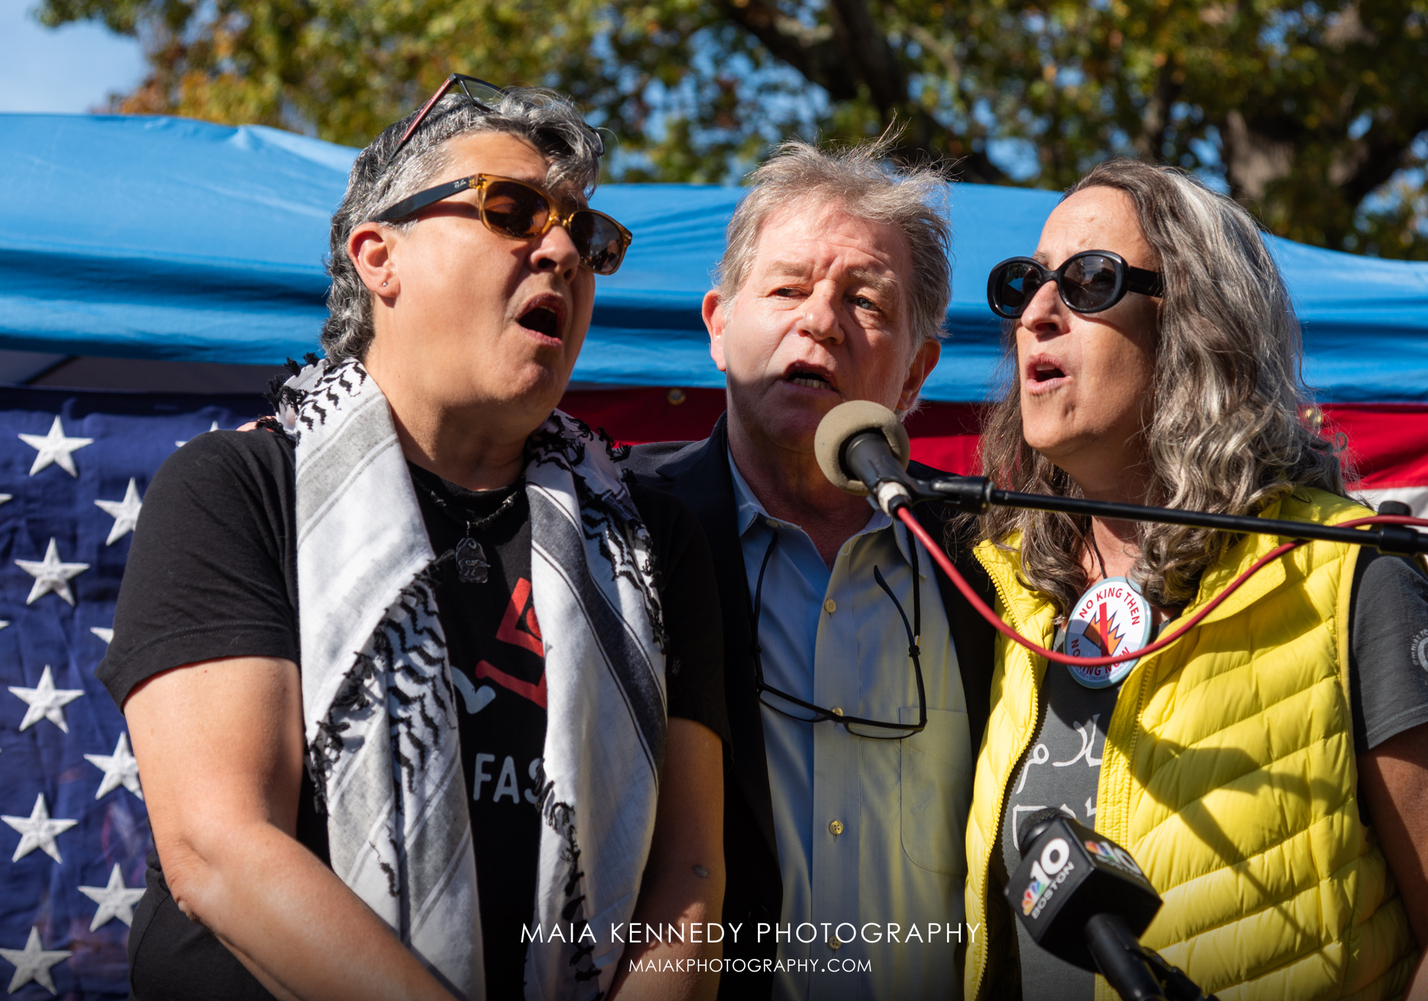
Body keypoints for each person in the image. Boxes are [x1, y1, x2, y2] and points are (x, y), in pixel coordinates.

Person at [98, 76, 728, 1001]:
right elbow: (220, 847)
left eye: (587, 238)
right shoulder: (239, 488)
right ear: (377, 256)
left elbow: (692, 884)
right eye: (511, 209)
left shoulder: (652, 539)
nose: (561, 250)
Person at [963, 158, 1428, 1001]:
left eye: (1088, 281)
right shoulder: (1007, 597)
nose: (1036, 313)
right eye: (1024, 284)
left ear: (1195, 322)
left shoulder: (1346, 573)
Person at [624, 138, 997, 1001]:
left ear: (916, 371)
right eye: (788, 288)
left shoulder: (989, 554)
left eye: (864, 301)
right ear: (718, 324)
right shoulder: (619, 525)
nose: (820, 319)